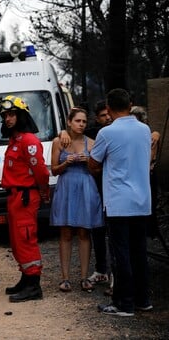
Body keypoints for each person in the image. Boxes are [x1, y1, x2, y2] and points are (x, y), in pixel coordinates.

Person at [89, 88, 152, 317]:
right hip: (142, 200)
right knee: (139, 252)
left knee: (120, 254)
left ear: (109, 108)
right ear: (131, 103)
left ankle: (123, 304)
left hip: (118, 202)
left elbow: (93, 164)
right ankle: (143, 299)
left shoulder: (107, 133)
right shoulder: (144, 130)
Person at [0, 95, 50, 302]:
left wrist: (44, 190)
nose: (8, 119)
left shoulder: (28, 140)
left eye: (12, 114)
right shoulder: (15, 140)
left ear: (21, 116)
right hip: (15, 196)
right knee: (18, 240)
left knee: (26, 238)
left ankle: (33, 286)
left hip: (25, 196)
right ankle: (25, 278)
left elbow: (41, 172)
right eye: (5, 116)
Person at [50, 108, 104, 293]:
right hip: (66, 187)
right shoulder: (59, 142)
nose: (81, 124)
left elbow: (98, 171)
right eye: (78, 121)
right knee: (65, 233)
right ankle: (65, 278)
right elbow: (54, 170)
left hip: (86, 186)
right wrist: (67, 162)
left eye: (84, 121)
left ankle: (83, 277)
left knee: (84, 233)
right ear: (69, 122)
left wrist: (87, 162)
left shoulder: (92, 143)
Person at [60, 100, 111, 287]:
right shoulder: (90, 134)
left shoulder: (96, 139)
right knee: (82, 231)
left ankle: (102, 275)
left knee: (96, 231)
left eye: (83, 121)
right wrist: (63, 132)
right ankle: (98, 270)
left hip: (102, 188)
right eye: (102, 116)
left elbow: (99, 167)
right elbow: (54, 167)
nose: (107, 118)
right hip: (82, 187)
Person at [131, 106, 161, 238]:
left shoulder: (150, 138)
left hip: (145, 179)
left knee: (147, 213)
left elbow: (147, 161)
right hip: (135, 179)